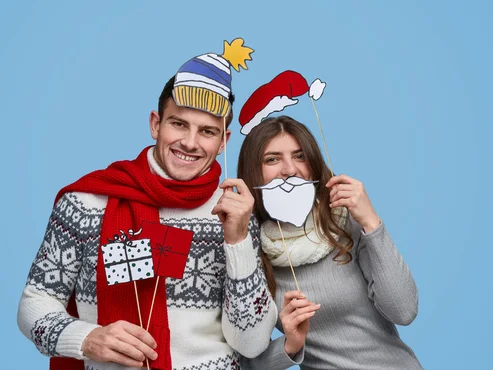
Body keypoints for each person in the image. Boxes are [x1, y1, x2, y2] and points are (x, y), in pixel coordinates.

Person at [17, 42, 276, 370]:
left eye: (207, 131)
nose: (190, 142)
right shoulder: (86, 203)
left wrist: (238, 241)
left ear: (223, 141)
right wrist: (84, 337)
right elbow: (34, 304)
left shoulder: (234, 212)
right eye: (179, 124)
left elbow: (250, 342)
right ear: (156, 123)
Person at [238, 115, 423, 369]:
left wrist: (371, 222)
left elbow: (404, 311)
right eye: (272, 159)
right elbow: (245, 364)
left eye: (300, 156)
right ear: (252, 171)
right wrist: (290, 345)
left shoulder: (344, 222)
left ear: (313, 164)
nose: (289, 170)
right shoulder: (245, 251)